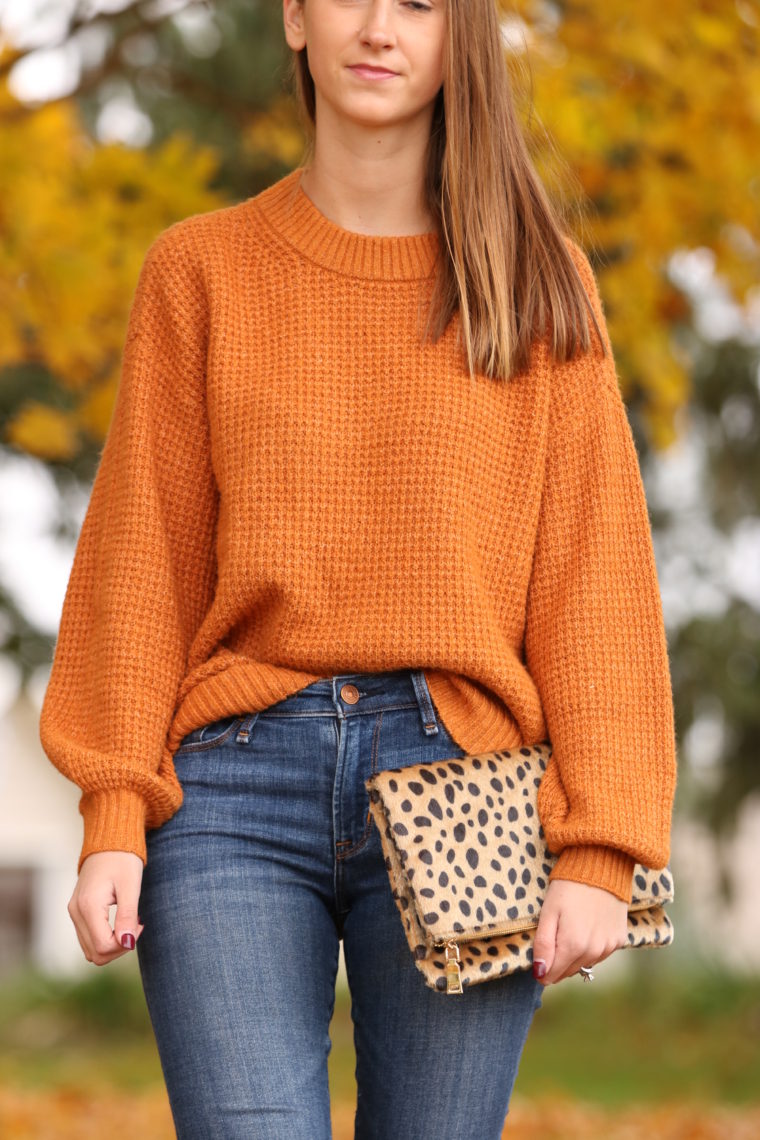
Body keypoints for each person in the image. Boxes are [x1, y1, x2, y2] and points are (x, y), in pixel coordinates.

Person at [39, 1, 677, 1136]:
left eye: (422, 2)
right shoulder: (199, 271)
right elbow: (143, 563)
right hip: (229, 786)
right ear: (293, 15)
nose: (380, 26)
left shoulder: (538, 284)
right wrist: (112, 820)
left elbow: (595, 582)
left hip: (466, 781)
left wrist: (601, 845)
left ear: (459, 36)